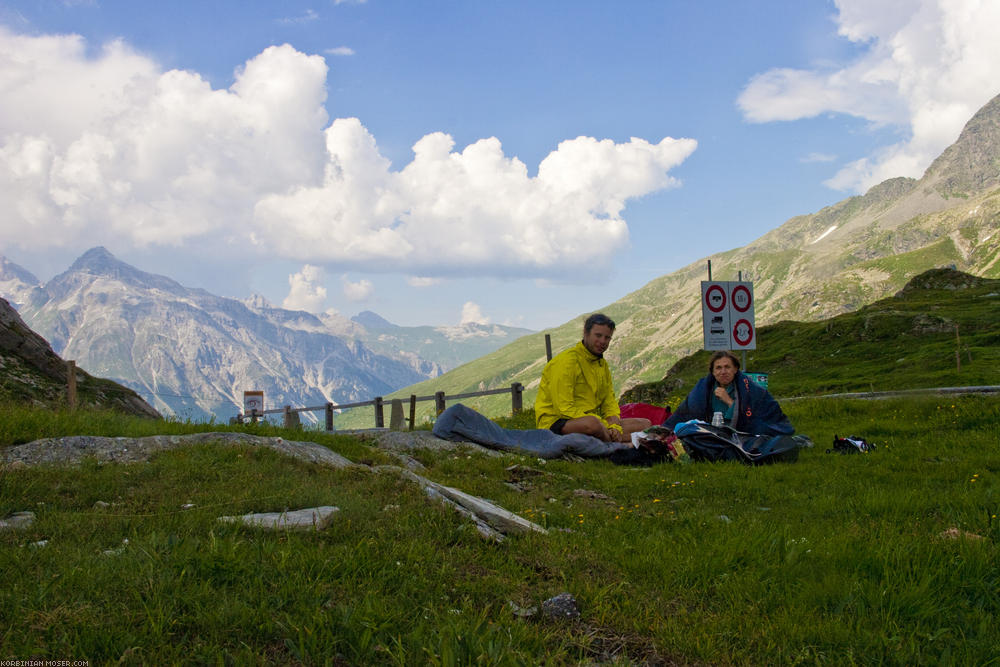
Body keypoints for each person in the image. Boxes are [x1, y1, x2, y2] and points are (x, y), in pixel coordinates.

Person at [535, 313, 651, 443]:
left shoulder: (601, 364)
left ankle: (616, 438)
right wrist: (604, 425)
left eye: (607, 337)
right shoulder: (566, 362)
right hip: (557, 422)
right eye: (598, 335)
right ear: (586, 333)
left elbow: (609, 402)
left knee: (645, 424)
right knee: (593, 424)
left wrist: (614, 426)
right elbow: (564, 408)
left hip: (594, 422)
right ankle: (624, 440)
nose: (602, 341)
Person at [663, 351, 794, 435]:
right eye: (718, 368)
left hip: (739, 433)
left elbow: (756, 420)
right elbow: (685, 412)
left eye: (727, 367)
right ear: (713, 372)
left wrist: (729, 401)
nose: (723, 371)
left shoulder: (751, 389)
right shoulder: (703, 389)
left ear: (736, 369)